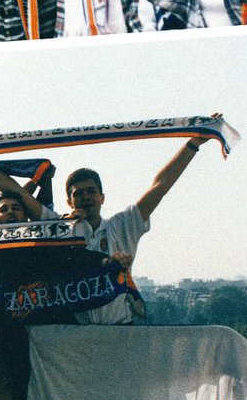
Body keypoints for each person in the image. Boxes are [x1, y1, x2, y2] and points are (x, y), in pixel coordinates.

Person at [62, 127, 217, 324]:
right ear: (69, 202)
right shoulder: (58, 232)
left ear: (102, 198)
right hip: (76, 334)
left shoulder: (122, 226)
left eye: (91, 191)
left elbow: (160, 185)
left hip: (120, 328)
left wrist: (193, 144)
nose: (85, 197)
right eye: (78, 193)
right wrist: (64, 224)